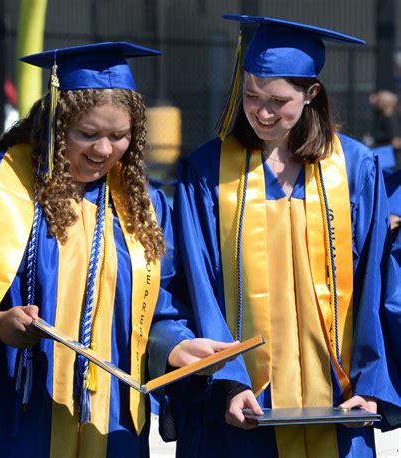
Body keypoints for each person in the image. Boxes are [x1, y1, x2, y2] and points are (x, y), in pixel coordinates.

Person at [0, 42, 231, 458]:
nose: (103, 150)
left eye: (118, 136)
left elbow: (159, 310)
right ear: (52, 125)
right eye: (86, 134)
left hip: (108, 427)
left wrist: (176, 347)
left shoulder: (142, 208)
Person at [150, 15, 401, 457]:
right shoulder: (207, 172)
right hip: (242, 408)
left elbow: (376, 287)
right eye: (251, 96)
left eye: (278, 100)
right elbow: (197, 286)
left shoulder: (357, 169)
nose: (262, 112)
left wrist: (373, 385)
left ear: (311, 95)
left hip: (339, 404)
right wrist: (227, 381)